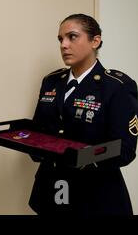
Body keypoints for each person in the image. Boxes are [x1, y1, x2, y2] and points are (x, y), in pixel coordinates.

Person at [29, 13, 138, 215]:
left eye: (72, 37)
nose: (64, 45)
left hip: (95, 195)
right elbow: (39, 130)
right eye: (60, 39)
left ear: (95, 41)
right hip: (51, 188)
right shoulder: (51, 81)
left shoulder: (116, 87)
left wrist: (82, 159)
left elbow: (125, 150)